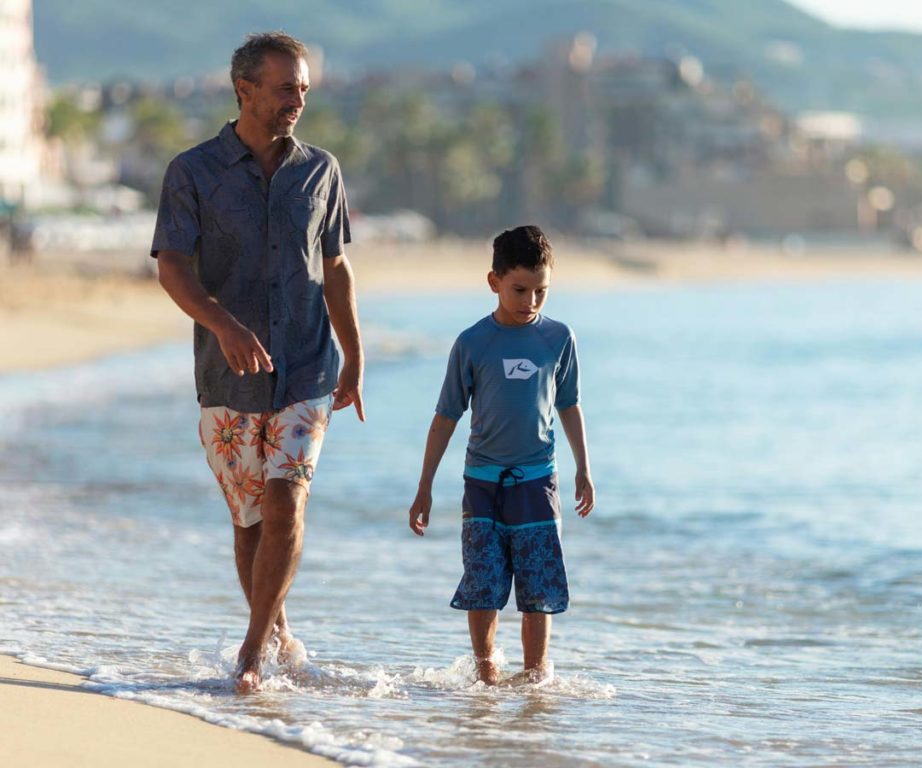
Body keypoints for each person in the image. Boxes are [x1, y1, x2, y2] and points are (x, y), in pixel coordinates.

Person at [151, 31, 365, 693]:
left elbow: (335, 268)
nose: (297, 99)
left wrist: (354, 355)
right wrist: (223, 324)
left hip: (306, 366)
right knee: (250, 522)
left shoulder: (320, 171)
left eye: (302, 87)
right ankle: (273, 628)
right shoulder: (192, 172)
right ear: (246, 90)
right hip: (227, 374)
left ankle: (250, 654)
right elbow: (172, 268)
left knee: (286, 503)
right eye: (284, 88)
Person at [408, 225, 595, 685]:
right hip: (483, 483)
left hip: (538, 481)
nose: (530, 301)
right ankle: (486, 673)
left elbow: (570, 405)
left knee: (538, 588)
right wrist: (424, 486)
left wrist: (584, 470)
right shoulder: (473, 342)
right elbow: (445, 416)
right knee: (483, 585)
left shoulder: (559, 338)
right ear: (494, 282)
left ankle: (535, 680)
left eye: (541, 291)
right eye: (520, 289)